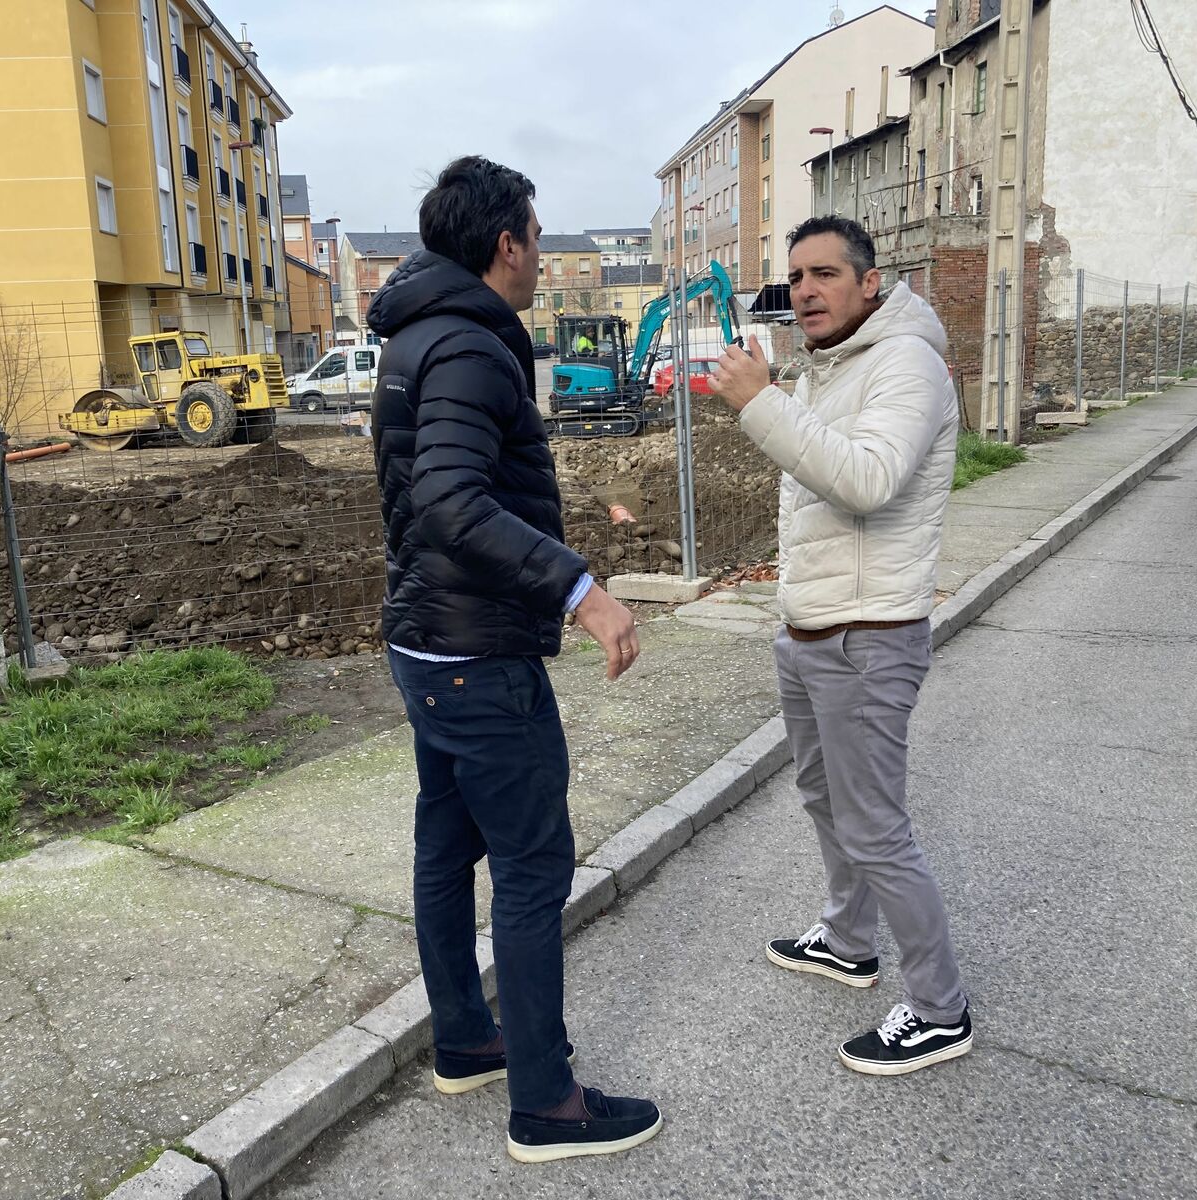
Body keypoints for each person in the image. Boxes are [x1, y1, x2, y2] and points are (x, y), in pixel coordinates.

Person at [366, 155, 662, 1162]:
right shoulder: (468, 346)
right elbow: (451, 502)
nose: (540, 257)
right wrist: (580, 590)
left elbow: (422, 497)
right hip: (477, 652)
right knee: (533, 868)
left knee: (446, 849)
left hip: (424, 638)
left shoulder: (413, 336)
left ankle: (465, 1040)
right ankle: (546, 1103)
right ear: (506, 244)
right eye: (536, 239)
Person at [708, 215, 971, 1077]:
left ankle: (940, 1008)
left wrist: (761, 402)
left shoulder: (906, 363)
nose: (807, 292)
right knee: (824, 797)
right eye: (797, 278)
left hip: (869, 635)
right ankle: (850, 939)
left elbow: (866, 481)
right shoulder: (831, 366)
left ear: (871, 282)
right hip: (812, 630)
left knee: (875, 824)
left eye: (825, 274)